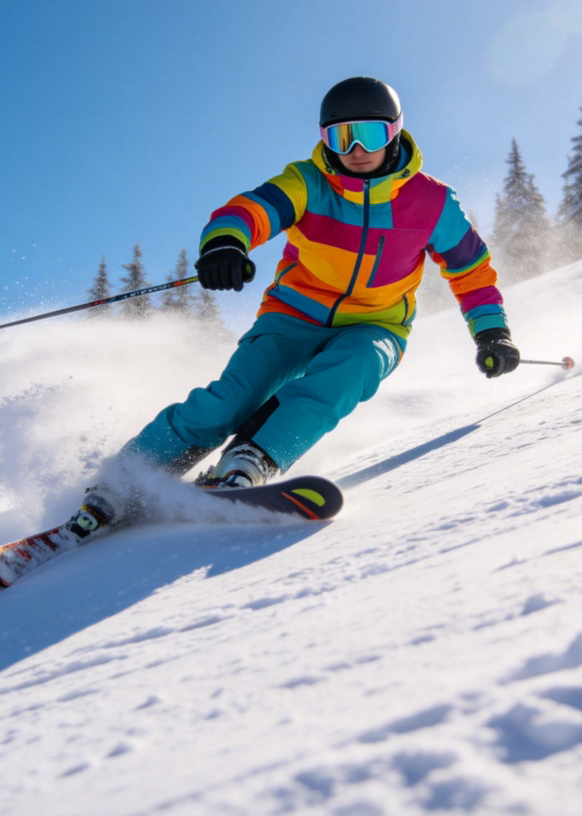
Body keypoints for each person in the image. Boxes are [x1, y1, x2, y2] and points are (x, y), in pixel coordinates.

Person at [71, 76, 519, 536]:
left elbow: (471, 269)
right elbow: (249, 210)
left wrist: (492, 331)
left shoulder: (432, 202)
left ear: (396, 132)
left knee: (349, 372)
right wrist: (226, 245)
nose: (357, 149)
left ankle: (249, 461)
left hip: (376, 324)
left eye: (371, 134)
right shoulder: (308, 182)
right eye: (341, 137)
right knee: (233, 398)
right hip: (293, 315)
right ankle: (125, 479)